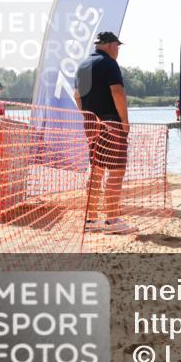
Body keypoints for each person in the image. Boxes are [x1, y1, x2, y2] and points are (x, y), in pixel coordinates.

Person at [74, 32, 136, 234]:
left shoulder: (82, 66)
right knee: (116, 171)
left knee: (96, 170)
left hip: (91, 124)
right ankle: (112, 221)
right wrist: (124, 121)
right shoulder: (109, 64)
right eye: (117, 46)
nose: (118, 50)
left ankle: (91, 221)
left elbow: (77, 96)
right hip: (111, 122)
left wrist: (88, 117)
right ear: (110, 45)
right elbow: (117, 91)